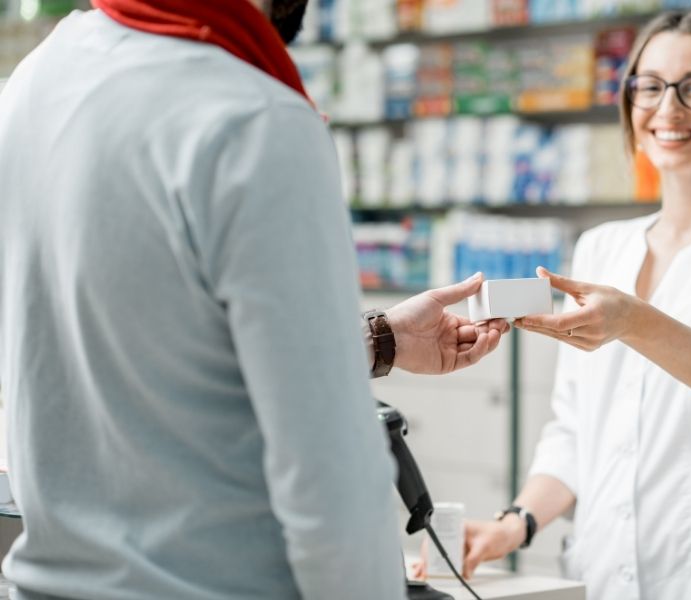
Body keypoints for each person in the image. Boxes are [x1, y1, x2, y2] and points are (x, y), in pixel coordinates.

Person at [0, 0, 507, 599]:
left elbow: (135, 341)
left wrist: (377, 339)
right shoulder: (254, 118)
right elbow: (330, 485)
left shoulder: (35, 80)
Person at [437, 8, 691, 600]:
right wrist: (514, 524)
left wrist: (634, 320)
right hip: (604, 569)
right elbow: (573, 429)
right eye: (649, 86)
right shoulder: (602, 244)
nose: (668, 108)